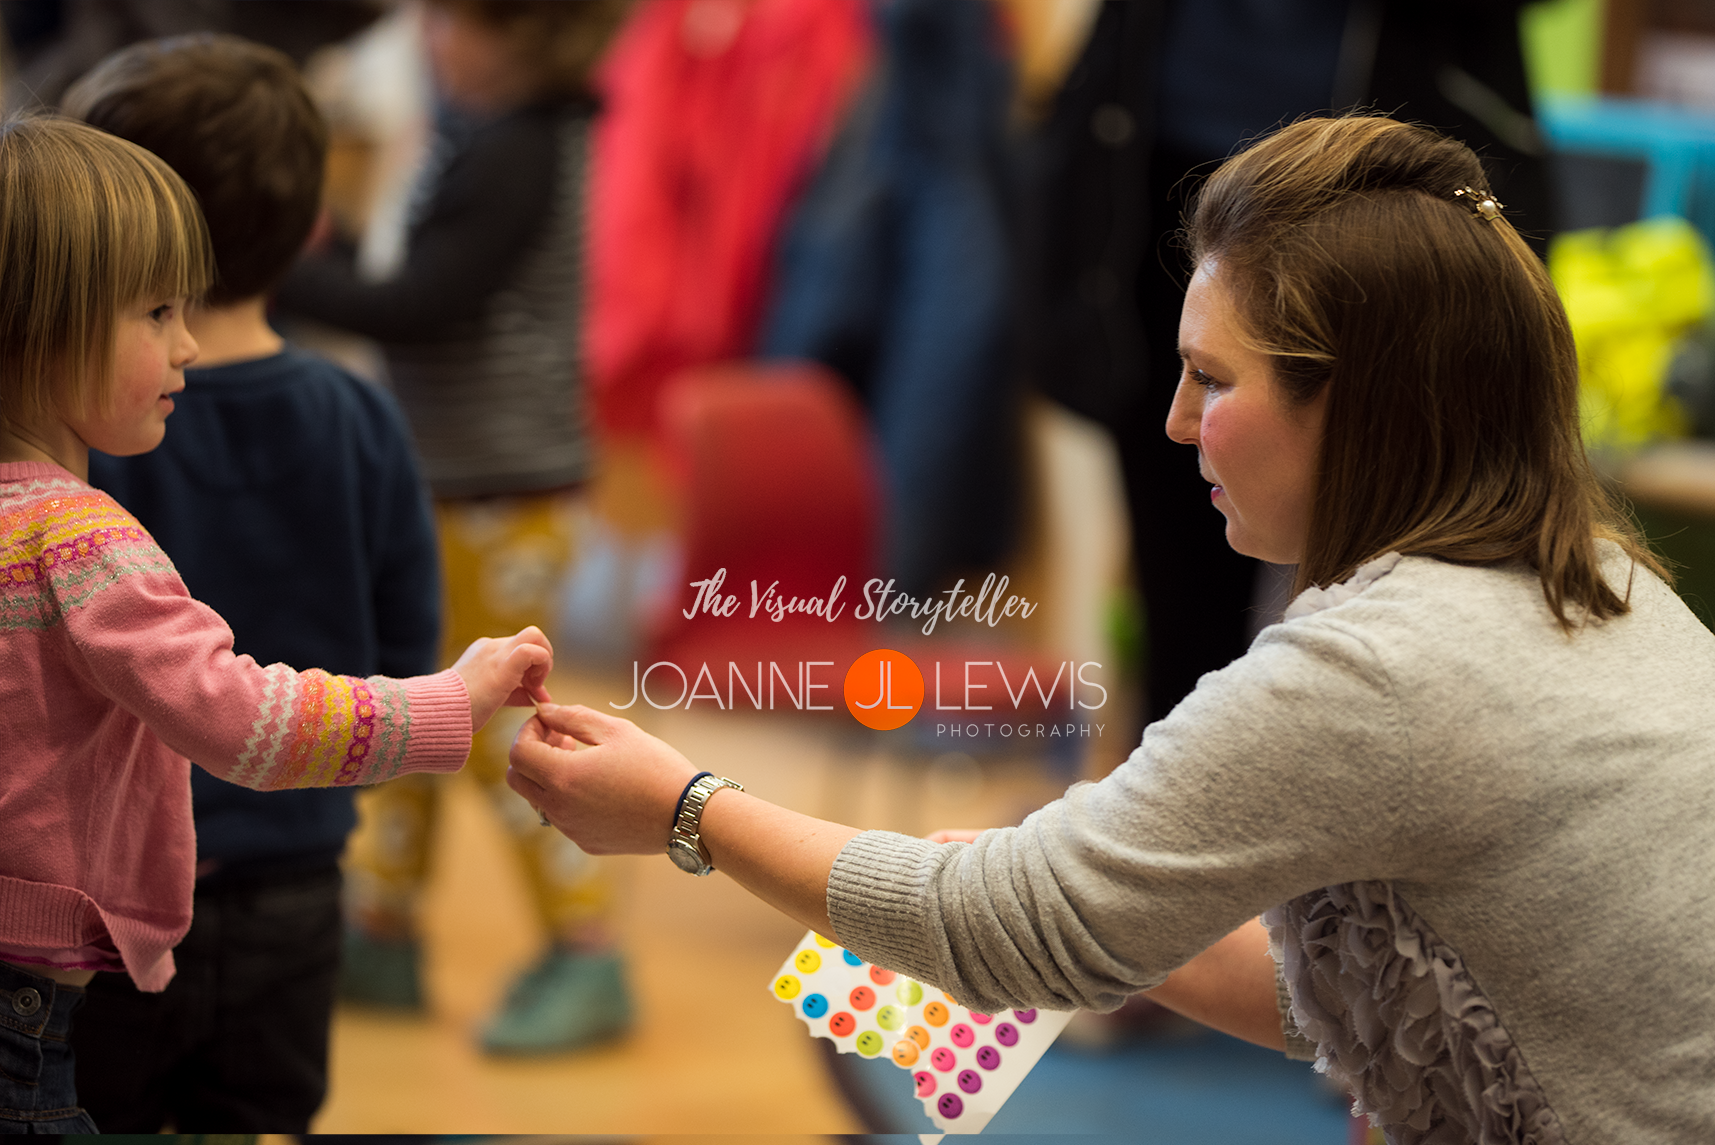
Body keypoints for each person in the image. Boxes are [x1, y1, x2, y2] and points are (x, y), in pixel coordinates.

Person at [506, 115, 1715, 1140]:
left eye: (1214, 379)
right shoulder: (1605, 585)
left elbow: (1005, 929)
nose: (1178, 420)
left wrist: (686, 808)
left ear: (1358, 407)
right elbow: (1408, 995)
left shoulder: (1375, 669)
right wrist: (1129, 901)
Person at [0, 115, 553, 1133]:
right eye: (157, 311)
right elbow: (247, 722)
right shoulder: (78, 540)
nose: (188, 344)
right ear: (46, 326)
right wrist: (449, 701)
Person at [58, 34, 439, 1131]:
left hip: (106, 903)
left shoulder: (79, 431)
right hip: (296, 881)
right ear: (310, 225)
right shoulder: (361, 414)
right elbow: (405, 651)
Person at [274, 0, 633, 1055]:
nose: (430, 40)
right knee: (416, 698)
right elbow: (411, 283)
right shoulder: (485, 133)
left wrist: (282, 265)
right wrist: (332, 244)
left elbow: (424, 301)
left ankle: (588, 950)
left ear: (530, 33)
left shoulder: (522, 144)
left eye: (454, 22)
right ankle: (382, 928)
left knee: (493, 727)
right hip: (453, 482)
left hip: (502, 495)